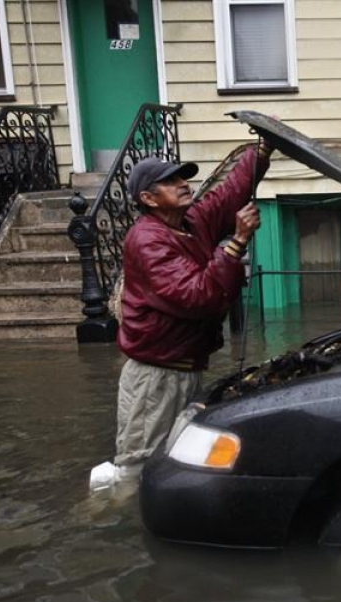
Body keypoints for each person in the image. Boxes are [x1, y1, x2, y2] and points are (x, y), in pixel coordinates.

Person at [109, 140, 273, 482]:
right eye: (171, 181)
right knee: (139, 469)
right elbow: (199, 297)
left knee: (174, 462)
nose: (184, 184)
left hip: (183, 368)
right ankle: (117, 526)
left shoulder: (190, 222)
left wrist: (261, 152)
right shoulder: (147, 240)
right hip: (155, 377)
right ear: (148, 199)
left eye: (183, 178)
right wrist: (236, 242)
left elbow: (227, 195)